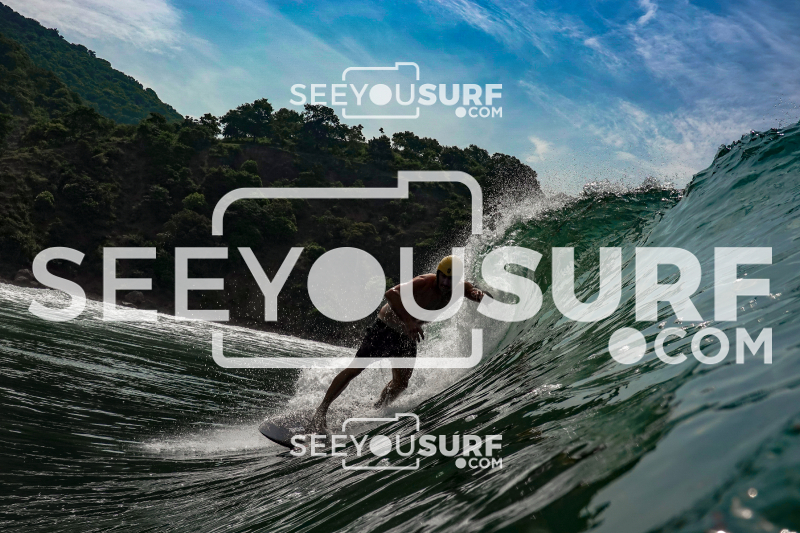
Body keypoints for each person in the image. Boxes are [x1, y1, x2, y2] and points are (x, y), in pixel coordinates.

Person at [310, 255, 491, 432]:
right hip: (385, 329)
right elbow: (391, 293)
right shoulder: (424, 282)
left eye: (450, 279)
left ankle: (377, 408)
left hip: (406, 337)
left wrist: (481, 295)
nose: (445, 282)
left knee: (401, 383)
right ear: (438, 274)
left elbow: (476, 293)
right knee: (355, 369)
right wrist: (409, 322)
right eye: (443, 277)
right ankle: (321, 410)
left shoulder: (460, 288)